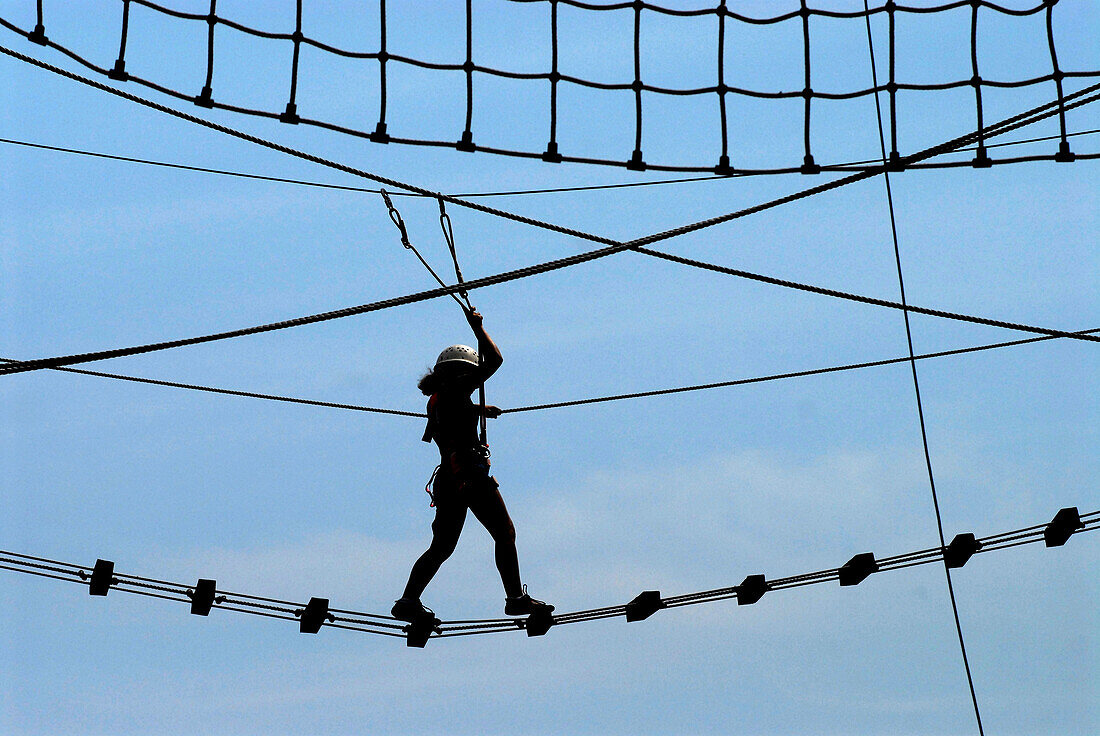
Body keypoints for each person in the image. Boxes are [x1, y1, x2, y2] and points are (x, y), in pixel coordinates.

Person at [392, 308, 553, 626]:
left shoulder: (440, 398)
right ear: (458, 373)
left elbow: (455, 414)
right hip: (468, 473)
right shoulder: (454, 390)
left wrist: (479, 409)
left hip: (449, 479)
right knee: (504, 533)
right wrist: (478, 329)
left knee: (442, 546)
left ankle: (408, 600)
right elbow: (495, 360)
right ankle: (516, 599)